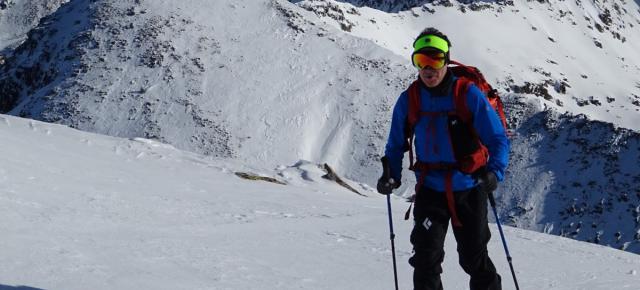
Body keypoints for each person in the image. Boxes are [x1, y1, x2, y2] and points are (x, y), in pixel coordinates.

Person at [377, 27, 509, 290]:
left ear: (446, 60)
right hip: (430, 190)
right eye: (421, 61)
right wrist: (391, 174)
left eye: (435, 60)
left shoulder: (467, 94)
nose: (428, 69)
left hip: (469, 188)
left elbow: (498, 139)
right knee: (426, 257)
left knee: (474, 258)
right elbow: (395, 144)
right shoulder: (410, 99)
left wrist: (495, 172)